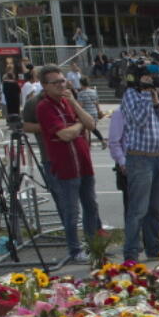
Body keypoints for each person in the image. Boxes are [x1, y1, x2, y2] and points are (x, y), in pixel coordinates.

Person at [34, 65, 101, 265]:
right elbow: (65, 135)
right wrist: (79, 125)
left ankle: (94, 245)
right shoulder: (43, 107)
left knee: (91, 206)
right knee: (71, 211)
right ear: (45, 86)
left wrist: (74, 104)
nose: (61, 85)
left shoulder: (69, 102)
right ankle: (75, 249)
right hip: (65, 167)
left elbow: (92, 123)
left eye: (63, 81)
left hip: (83, 163)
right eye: (55, 82)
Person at [119, 64, 159, 263]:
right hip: (139, 158)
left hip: (158, 158)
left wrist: (158, 103)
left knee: (155, 209)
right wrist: (145, 94)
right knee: (138, 210)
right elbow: (139, 120)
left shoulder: (153, 98)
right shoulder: (130, 96)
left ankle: (154, 247)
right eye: (148, 78)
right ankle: (131, 253)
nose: (153, 82)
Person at [76, 77, 105, 147]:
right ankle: (102, 140)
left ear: (81, 84)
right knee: (93, 129)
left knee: (86, 130)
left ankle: (87, 145)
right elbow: (97, 103)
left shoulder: (80, 93)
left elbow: (80, 106)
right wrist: (99, 111)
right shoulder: (94, 92)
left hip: (86, 114)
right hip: (94, 113)